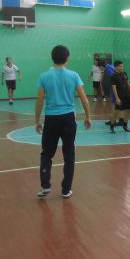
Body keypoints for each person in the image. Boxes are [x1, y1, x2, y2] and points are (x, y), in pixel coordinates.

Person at [35, 45, 92, 199]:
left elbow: (39, 101)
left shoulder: (44, 76)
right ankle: (66, 189)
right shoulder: (74, 75)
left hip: (51, 119)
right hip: (68, 118)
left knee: (46, 154)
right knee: (69, 155)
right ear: (67, 58)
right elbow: (84, 99)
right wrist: (88, 116)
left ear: (52, 58)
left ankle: (45, 185)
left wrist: (37, 120)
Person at [110, 60, 130, 134]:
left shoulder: (124, 74)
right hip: (120, 96)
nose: (122, 68)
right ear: (116, 67)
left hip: (128, 95)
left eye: (122, 66)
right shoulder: (113, 76)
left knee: (128, 110)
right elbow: (114, 88)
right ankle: (112, 126)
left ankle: (125, 126)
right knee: (116, 111)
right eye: (120, 66)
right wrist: (117, 98)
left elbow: (128, 83)